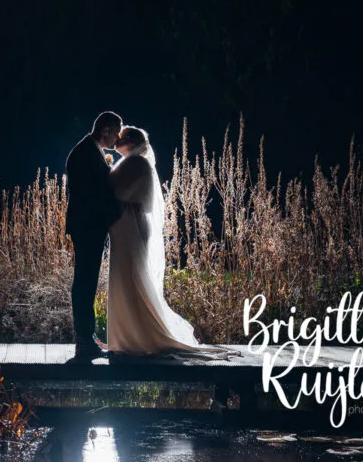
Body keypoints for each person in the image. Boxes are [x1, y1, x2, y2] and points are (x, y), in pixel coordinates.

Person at [106, 125, 238, 358]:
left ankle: (135, 337)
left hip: (130, 228)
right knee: (129, 279)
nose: (118, 139)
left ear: (133, 142)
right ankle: (130, 336)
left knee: (129, 279)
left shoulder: (135, 163)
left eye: (123, 137)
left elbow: (114, 191)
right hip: (129, 227)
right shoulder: (136, 162)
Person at [64, 111, 124, 360]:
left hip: (87, 226)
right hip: (87, 226)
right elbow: (91, 195)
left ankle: (85, 339)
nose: (118, 138)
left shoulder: (89, 150)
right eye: (116, 132)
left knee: (86, 281)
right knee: (85, 282)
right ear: (106, 129)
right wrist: (118, 212)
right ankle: (84, 341)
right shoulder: (85, 153)